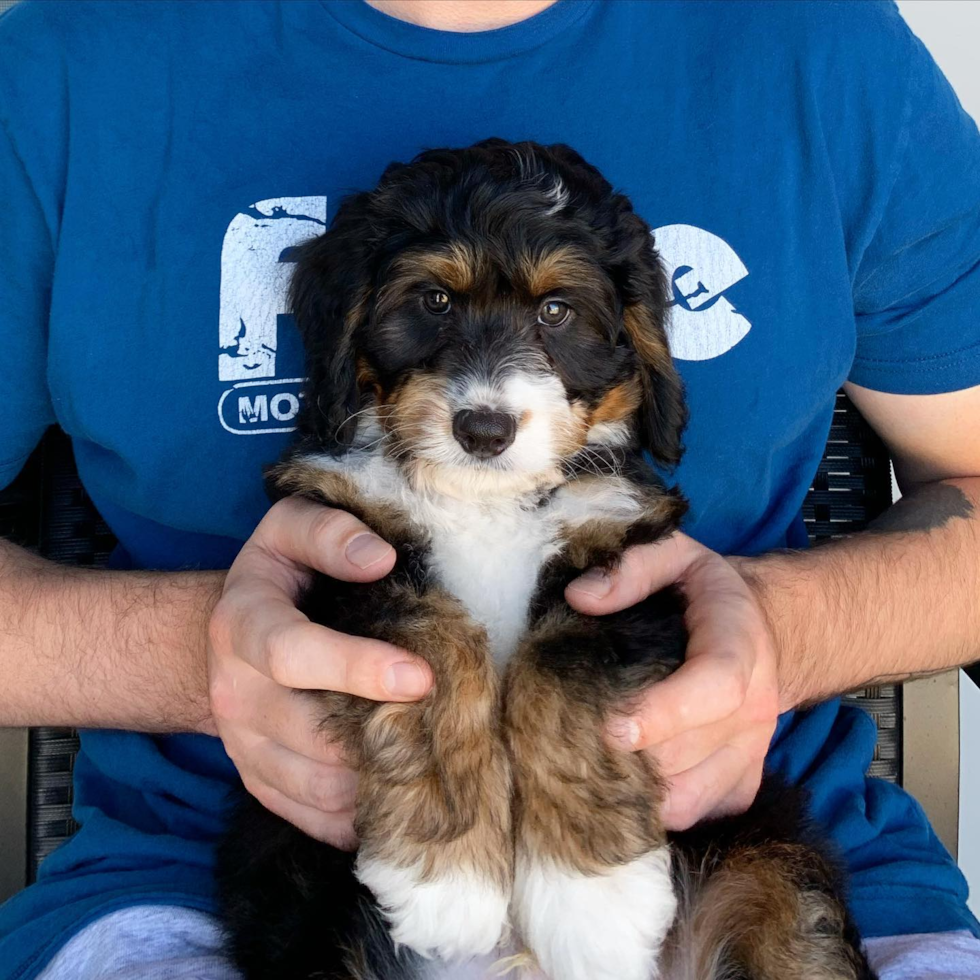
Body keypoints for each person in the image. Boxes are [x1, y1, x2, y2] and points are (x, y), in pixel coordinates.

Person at [0, 0, 979, 977]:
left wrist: (781, 630)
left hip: (732, 855)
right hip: (239, 887)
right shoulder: (68, 64)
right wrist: (201, 656)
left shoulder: (824, 46)